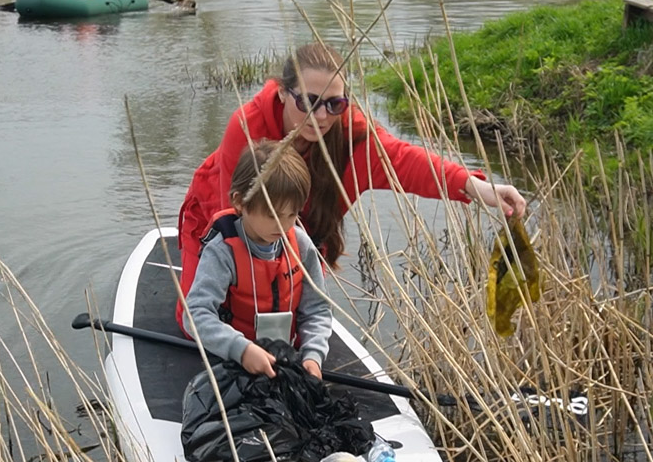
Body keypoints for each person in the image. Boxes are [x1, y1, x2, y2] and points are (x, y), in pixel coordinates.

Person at [176, 41, 527, 324]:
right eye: (309, 102)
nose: (322, 116)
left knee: (294, 328)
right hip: (219, 221)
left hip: (296, 233)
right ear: (283, 92)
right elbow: (230, 215)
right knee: (200, 321)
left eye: (334, 103)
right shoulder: (246, 126)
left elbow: (404, 161)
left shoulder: (350, 133)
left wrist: (476, 186)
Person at [183, 140, 331, 380]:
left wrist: (313, 355)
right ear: (240, 202)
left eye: (292, 214)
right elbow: (195, 315)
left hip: (285, 359)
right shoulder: (222, 252)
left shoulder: (301, 247)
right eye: (272, 215)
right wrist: (241, 350)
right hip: (234, 360)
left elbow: (317, 310)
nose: (283, 226)